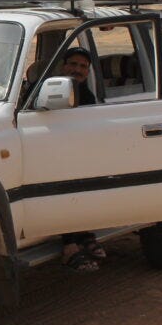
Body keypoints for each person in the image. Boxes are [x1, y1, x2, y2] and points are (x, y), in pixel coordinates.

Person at [56, 46, 107, 271]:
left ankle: (84, 235)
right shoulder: (50, 89)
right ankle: (70, 245)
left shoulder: (86, 94)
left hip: (79, 153)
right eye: (73, 64)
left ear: (88, 72)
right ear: (63, 66)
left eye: (83, 67)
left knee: (85, 188)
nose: (77, 70)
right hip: (55, 154)